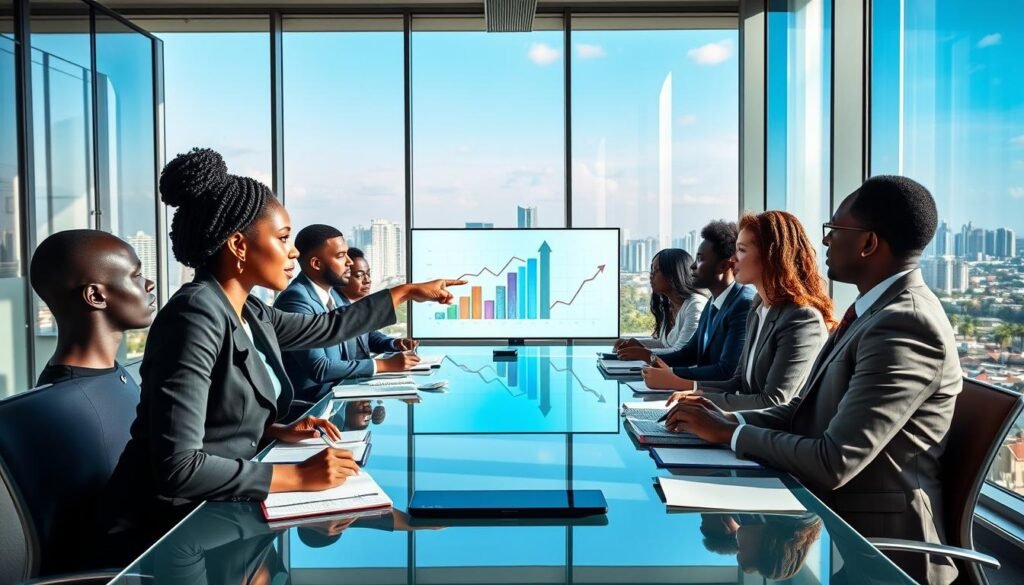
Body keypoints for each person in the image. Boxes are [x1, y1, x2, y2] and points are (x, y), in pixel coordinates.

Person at [102, 148, 464, 558]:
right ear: (239, 245)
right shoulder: (194, 316)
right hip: (166, 533)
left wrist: (273, 431)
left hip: (221, 512)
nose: (293, 252)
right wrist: (296, 475)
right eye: (282, 238)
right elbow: (178, 468)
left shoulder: (247, 309)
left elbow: (325, 328)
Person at [664, 176, 961, 584]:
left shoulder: (904, 324)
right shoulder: (872, 312)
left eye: (835, 230)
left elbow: (834, 461)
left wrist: (728, 435)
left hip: (876, 552)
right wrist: (726, 421)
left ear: (868, 243)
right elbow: (801, 409)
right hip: (832, 523)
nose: (825, 242)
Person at [652, 211, 833, 410]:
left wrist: (701, 400)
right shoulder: (758, 307)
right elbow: (738, 382)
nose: (733, 259)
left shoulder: (801, 319)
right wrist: (695, 393)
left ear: (771, 255)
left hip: (765, 435)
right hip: (743, 424)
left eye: (741, 250)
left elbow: (773, 402)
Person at [275, 226, 420, 402]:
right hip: (309, 408)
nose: (349, 262)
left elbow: (358, 332)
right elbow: (321, 368)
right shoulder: (296, 299)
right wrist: (385, 365)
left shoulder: (331, 296)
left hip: (338, 398)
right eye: (341, 256)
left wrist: (392, 345)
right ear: (316, 264)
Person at [29, 229, 157, 385]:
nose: (150, 285)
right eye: (136, 276)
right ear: (95, 296)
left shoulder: (109, 373)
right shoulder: (68, 400)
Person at [638, 221, 755, 383]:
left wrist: (671, 376)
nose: (692, 266)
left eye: (700, 259)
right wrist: (648, 360)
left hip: (718, 401)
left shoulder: (743, 304)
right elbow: (689, 353)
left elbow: (727, 370)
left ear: (723, 266)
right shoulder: (713, 303)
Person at [614, 249, 708, 360]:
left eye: (656, 270)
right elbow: (663, 344)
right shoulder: (668, 306)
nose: (651, 275)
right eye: (651, 270)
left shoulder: (695, 305)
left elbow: (681, 352)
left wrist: (644, 353)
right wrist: (631, 343)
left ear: (674, 273)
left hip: (685, 375)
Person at [336, 246, 419, 358]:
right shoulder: (333, 308)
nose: (367, 280)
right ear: (342, 276)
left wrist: (395, 344)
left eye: (368, 274)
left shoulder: (359, 305)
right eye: (359, 275)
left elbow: (370, 337)